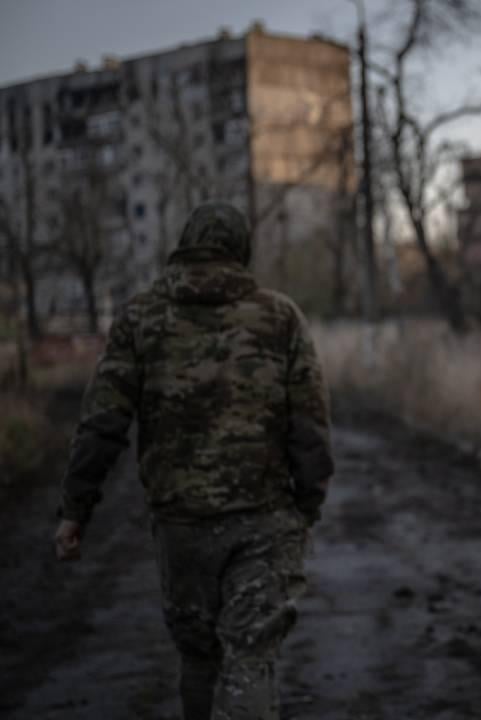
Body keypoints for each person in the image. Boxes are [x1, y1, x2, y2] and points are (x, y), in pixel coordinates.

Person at [52, 202, 334, 720]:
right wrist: (307, 506)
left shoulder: (141, 318)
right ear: (240, 252)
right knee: (250, 656)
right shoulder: (279, 317)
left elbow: (103, 422)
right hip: (263, 520)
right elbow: (311, 425)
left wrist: (76, 509)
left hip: (181, 527)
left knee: (199, 658)